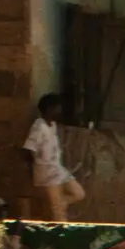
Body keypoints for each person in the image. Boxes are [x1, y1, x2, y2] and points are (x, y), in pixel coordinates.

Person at [21, 93, 83, 221]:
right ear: (49, 109)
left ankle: (62, 204)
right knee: (58, 212)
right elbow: (28, 149)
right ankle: (61, 234)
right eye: (57, 108)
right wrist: (34, 169)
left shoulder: (52, 126)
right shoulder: (39, 126)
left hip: (58, 169)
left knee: (79, 193)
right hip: (47, 173)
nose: (59, 111)